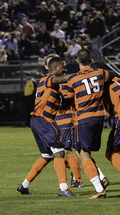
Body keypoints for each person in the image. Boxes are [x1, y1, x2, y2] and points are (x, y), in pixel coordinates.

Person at [17, 57, 77, 197]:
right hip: (44, 121)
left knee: (47, 155)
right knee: (59, 151)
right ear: (55, 69)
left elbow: (64, 101)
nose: (65, 69)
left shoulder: (51, 85)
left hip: (37, 120)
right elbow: (62, 79)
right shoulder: (48, 78)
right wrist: (82, 75)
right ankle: (63, 188)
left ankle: (24, 186)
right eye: (63, 67)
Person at [66, 48, 115, 199]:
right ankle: (100, 177)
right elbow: (112, 75)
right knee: (85, 153)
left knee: (82, 154)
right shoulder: (100, 73)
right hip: (99, 118)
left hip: (83, 119)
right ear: (91, 61)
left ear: (76, 61)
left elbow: (67, 98)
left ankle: (99, 189)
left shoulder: (73, 79)